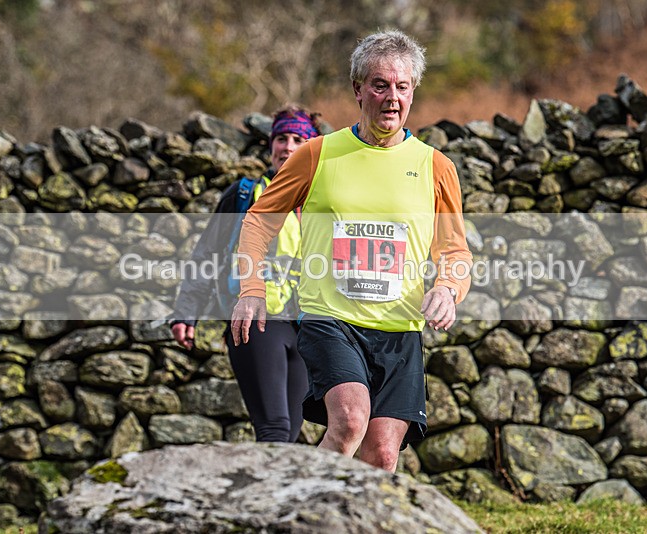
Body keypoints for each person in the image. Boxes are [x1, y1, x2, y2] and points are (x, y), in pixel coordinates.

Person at [231, 30, 472, 472]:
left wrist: (448, 287)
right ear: (358, 89)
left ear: (413, 91)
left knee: (382, 454)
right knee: (349, 419)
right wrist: (252, 288)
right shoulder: (318, 154)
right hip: (331, 319)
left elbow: (455, 250)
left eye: (402, 87)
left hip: (399, 329)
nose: (392, 98)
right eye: (380, 85)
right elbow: (258, 219)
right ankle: (297, 510)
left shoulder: (436, 167)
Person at [171, 105, 321, 442]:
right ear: (270, 146)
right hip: (255, 321)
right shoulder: (243, 195)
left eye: (299, 139)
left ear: (311, 148)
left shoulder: (322, 203)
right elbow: (206, 253)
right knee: (274, 428)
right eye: (281, 138)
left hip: (306, 329)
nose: (288, 146)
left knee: (292, 434)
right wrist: (186, 312)